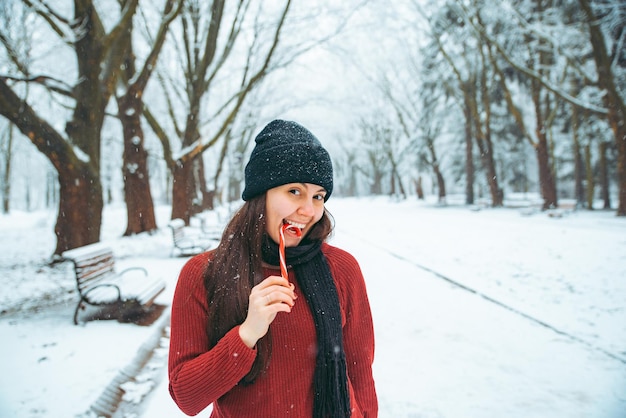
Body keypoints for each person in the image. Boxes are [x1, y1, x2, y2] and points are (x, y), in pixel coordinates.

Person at [168, 119, 378, 417]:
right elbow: (186, 397)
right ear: (260, 195)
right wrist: (246, 334)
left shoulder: (341, 269)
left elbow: (359, 370)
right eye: (295, 191)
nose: (309, 210)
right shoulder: (204, 274)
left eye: (318, 196)